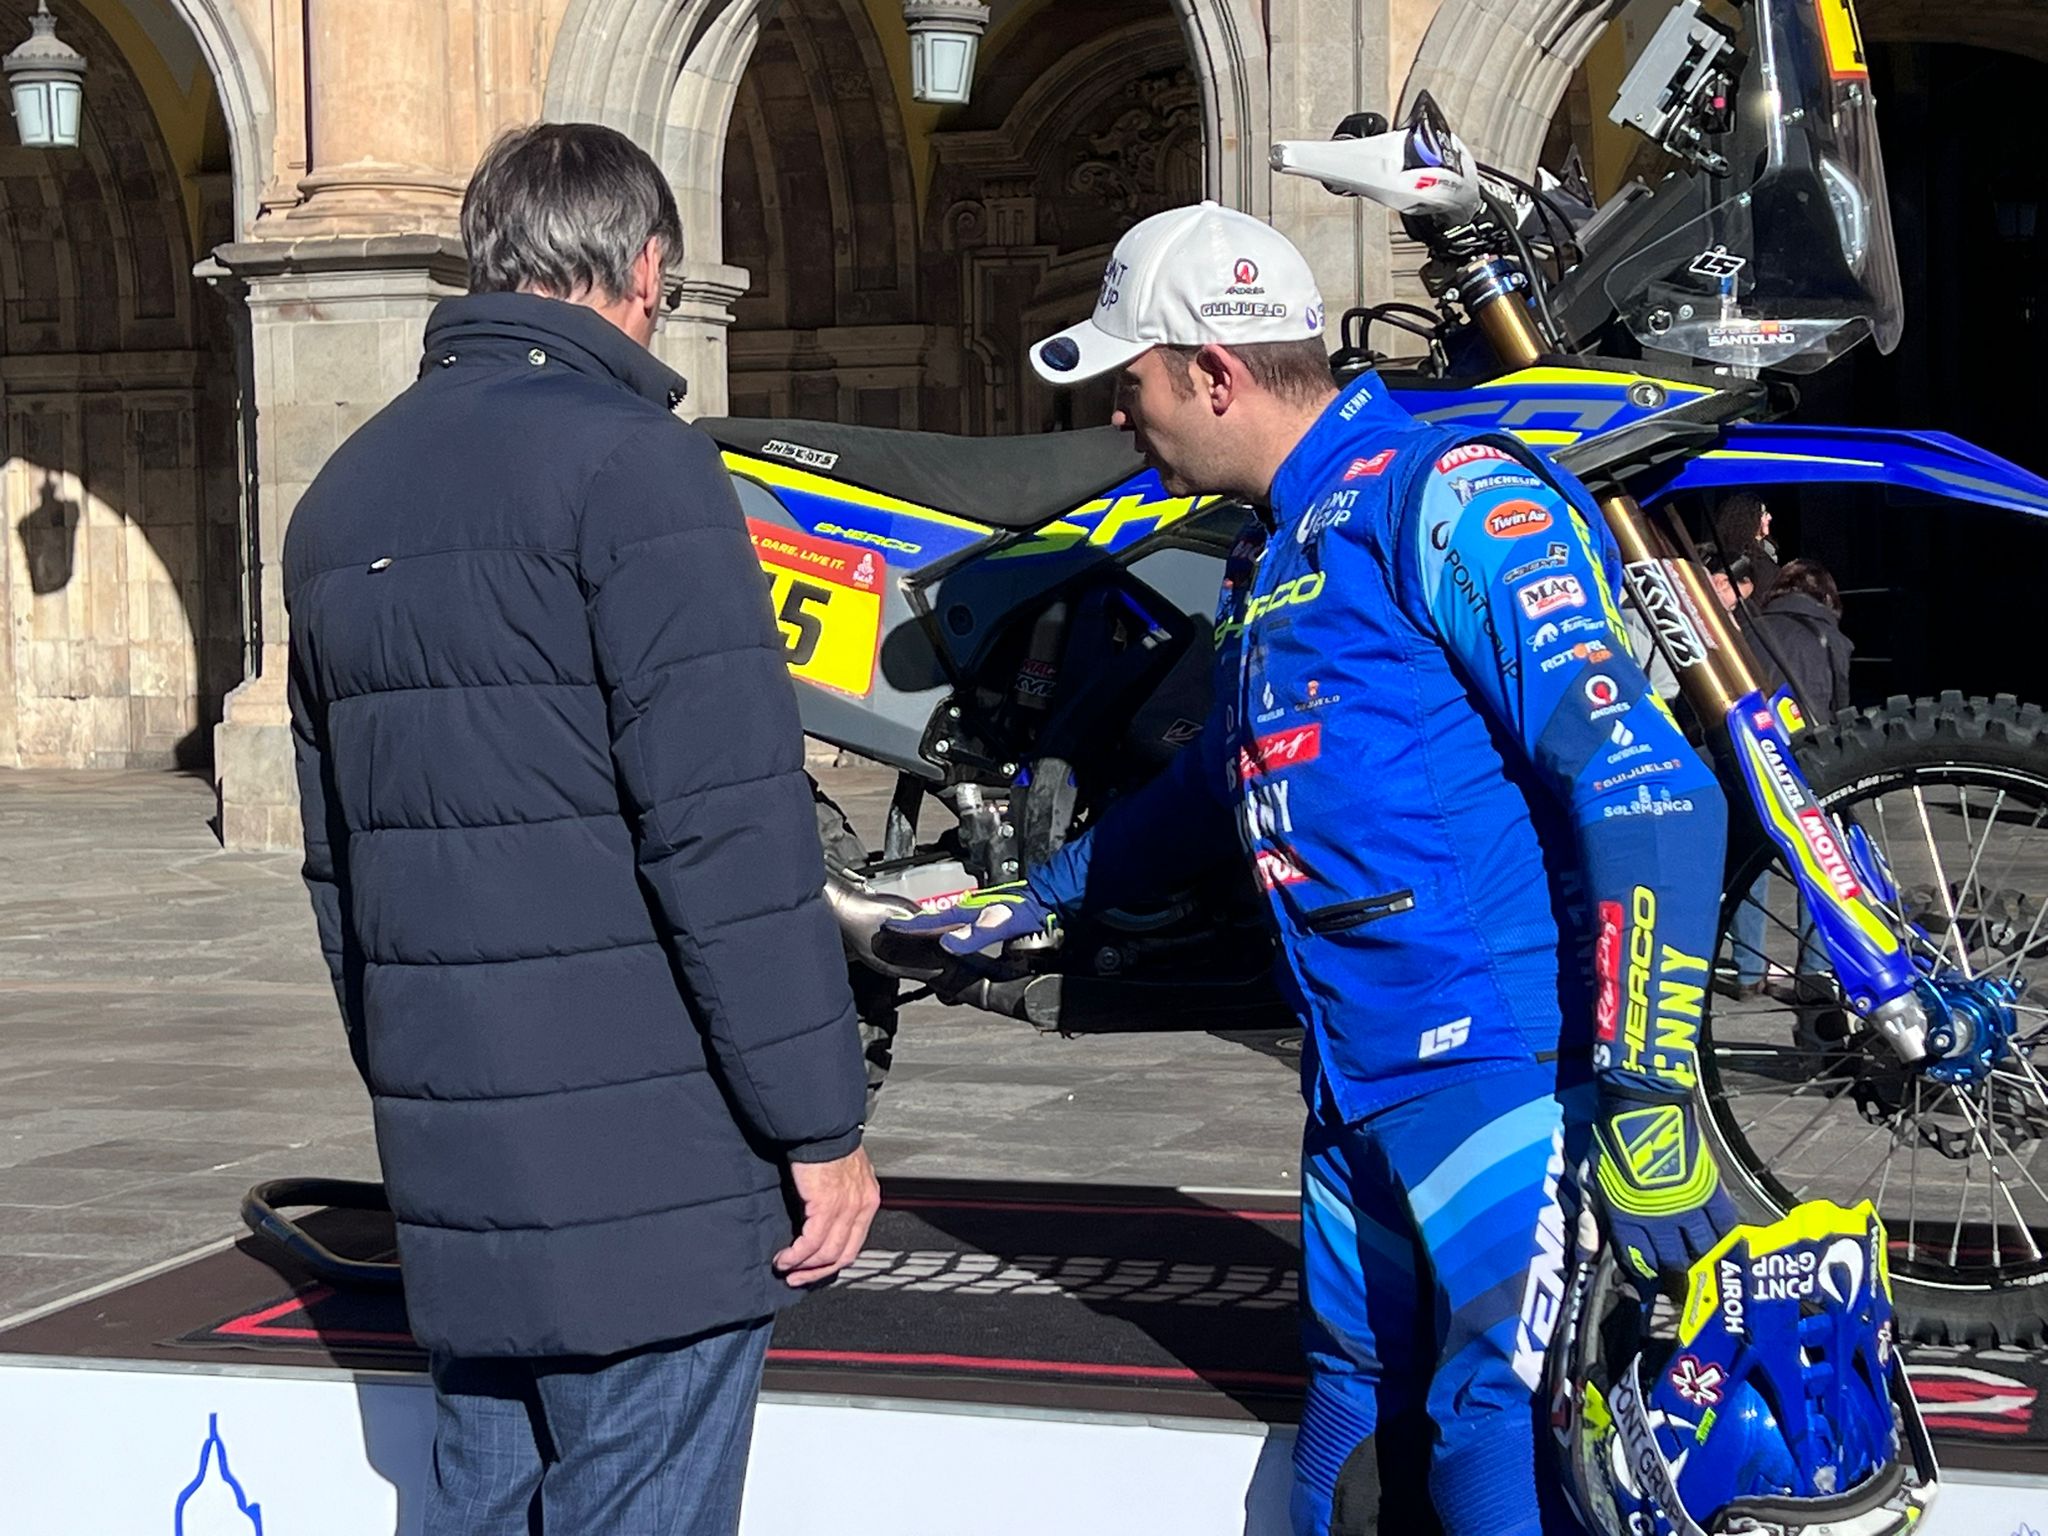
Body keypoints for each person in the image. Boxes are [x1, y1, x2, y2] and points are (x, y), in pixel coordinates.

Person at [892, 202, 1733, 1534]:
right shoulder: (1272, 545)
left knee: (1493, 1423)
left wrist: (1644, 1092)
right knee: (1348, 1418)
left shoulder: (1450, 495)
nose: (1124, 417)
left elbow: (1653, 793)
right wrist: (1033, 898)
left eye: (1135, 381)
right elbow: (1221, 783)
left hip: (1504, 1080)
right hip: (1357, 1088)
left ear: (1213, 372)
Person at [283, 123, 878, 1536]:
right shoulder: (640, 471)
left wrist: (430, 1085)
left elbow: (335, 868)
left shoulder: (339, 495)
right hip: (655, 1171)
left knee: (483, 1504)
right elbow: (729, 840)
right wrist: (821, 1125)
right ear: (646, 268)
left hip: (462, 1159)